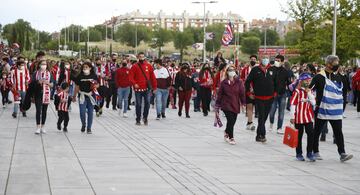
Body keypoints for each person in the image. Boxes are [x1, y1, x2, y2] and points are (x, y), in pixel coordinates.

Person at [309, 55, 353, 162]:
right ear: (328, 64)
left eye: (337, 63)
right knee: (317, 131)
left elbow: (345, 92)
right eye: (335, 63)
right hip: (322, 109)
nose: (337, 65)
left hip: (336, 111)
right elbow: (308, 89)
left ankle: (342, 153)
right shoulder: (319, 77)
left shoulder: (340, 77)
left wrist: (342, 107)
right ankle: (315, 151)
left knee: (338, 132)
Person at [245, 57, 276, 142]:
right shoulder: (255, 70)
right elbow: (247, 81)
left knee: (265, 117)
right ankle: (262, 134)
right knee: (261, 116)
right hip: (259, 97)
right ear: (260, 60)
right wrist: (248, 93)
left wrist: (275, 93)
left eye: (267, 58)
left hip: (270, 98)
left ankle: (259, 134)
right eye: (264, 58)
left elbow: (276, 82)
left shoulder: (272, 69)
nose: (265, 60)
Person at [215, 65, 246, 145]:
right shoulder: (223, 82)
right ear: (227, 72)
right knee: (230, 120)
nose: (231, 71)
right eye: (230, 70)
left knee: (233, 121)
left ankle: (226, 131)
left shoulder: (239, 82)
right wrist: (217, 104)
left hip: (235, 104)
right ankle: (231, 137)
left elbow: (242, 93)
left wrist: (243, 103)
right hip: (226, 104)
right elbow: (220, 94)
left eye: (233, 70)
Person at [289, 73, 316, 162]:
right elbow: (293, 104)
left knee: (311, 133)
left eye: (309, 80)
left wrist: (309, 93)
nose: (308, 82)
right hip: (298, 118)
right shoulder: (297, 92)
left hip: (308, 117)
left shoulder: (310, 91)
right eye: (306, 80)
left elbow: (313, 103)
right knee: (299, 136)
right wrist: (292, 116)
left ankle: (309, 152)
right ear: (301, 81)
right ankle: (299, 153)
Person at [128, 52, 157, 126]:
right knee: (138, 104)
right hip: (138, 89)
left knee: (147, 103)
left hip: (147, 88)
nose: (141, 58)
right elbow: (130, 77)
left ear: (144, 57)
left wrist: (154, 87)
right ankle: (138, 119)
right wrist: (134, 83)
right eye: (140, 57)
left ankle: (145, 117)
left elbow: (152, 77)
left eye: (143, 57)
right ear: (138, 57)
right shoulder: (134, 66)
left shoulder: (148, 66)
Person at [72, 61, 99, 134]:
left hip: (91, 96)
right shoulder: (80, 76)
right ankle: (83, 124)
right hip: (82, 96)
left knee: (90, 112)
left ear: (90, 68)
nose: (85, 68)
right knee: (82, 112)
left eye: (86, 67)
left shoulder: (94, 75)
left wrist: (96, 86)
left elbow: (97, 84)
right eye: (83, 67)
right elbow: (77, 87)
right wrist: (74, 96)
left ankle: (89, 128)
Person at [269, 55, 291, 134]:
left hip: (282, 94)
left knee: (281, 112)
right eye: (276, 60)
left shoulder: (285, 71)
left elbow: (289, 83)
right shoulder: (271, 69)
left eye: (278, 60)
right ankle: (271, 124)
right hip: (273, 94)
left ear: (282, 62)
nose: (276, 62)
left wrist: (292, 91)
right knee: (272, 112)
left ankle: (279, 127)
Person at [33, 60, 54, 134]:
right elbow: (31, 83)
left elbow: (52, 84)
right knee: (38, 110)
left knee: (44, 111)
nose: (43, 66)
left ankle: (43, 126)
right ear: (39, 65)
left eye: (45, 64)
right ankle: (38, 127)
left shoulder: (49, 73)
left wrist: (48, 83)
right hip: (37, 93)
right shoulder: (35, 73)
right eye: (42, 64)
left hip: (46, 94)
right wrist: (38, 82)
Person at [241, 55, 257, 131]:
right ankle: (250, 122)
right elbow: (241, 79)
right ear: (249, 60)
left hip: (256, 91)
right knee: (250, 106)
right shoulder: (245, 70)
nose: (253, 60)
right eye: (252, 59)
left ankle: (248, 122)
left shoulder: (258, 69)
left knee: (253, 107)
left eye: (254, 59)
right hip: (248, 91)